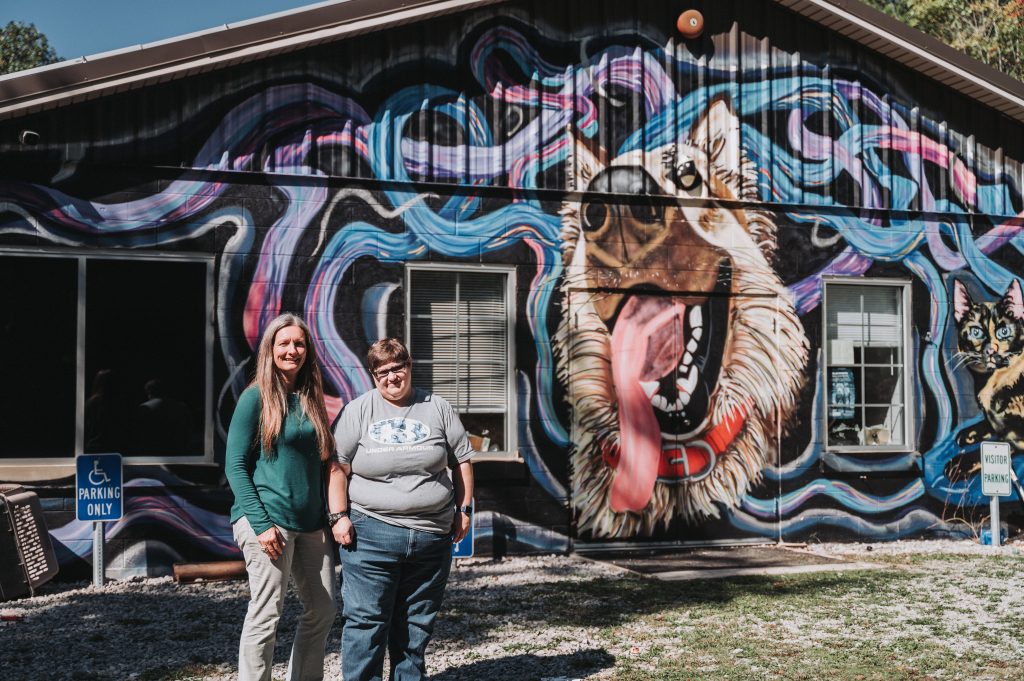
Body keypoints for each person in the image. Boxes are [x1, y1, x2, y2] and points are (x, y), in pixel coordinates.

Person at [328, 337, 475, 681]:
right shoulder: (358, 410)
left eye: (398, 367)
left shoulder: (437, 407)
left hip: (431, 536)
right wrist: (338, 517)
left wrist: (464, 509)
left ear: (409, 366)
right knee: (367, 621)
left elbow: (462, 462)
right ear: (373, 376)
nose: (392, 377)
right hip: (371, 534)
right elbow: (337, 467)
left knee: (416, 623)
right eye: (383, 372)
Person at [225, 313, 338, 681]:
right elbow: (235, 466)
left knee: (322, 609)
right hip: (266, 519)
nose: (292, 350)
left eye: (299, 343)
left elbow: (324, 462)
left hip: (310, 522)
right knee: (266, 612)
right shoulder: (254, 397)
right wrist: (260, 524)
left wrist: (332, 515)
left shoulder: (310, 397)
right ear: (270, 349)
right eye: (284, 343)